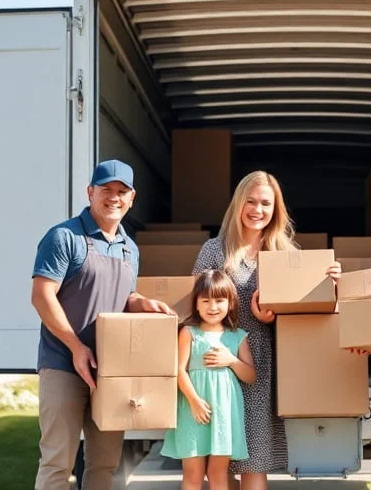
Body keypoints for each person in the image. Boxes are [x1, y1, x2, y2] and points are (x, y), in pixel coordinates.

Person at [31, 159, 176, 490]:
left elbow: (122, 295)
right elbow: (42, 296)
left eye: (121, 191)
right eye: (106, 190)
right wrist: (76, 348)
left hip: (110, 371)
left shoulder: (129, 248)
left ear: (132, 198)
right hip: (63, 364)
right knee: (58, 462)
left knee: (104, 465)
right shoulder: (64, 237)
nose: (114, 197)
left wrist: (142, 303)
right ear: (90, 192)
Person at [192, 170, 341, 490]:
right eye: (251, 201)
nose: (257, 210)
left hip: (260, 361)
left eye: (265, 204)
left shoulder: (286, 254)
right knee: (221, 459)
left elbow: (307, 312)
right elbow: (197, 307)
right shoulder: (214, 251)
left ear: (276, 210)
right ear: (238, 204)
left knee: (254, 458)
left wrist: (328, 282)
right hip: (217, 360)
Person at [162, 269, 256, 490]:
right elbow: (179, 371)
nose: (213, 307)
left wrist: (231, 360)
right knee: (192, 475)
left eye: (219, 300)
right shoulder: (189, 333)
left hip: (224, 413)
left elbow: (250, 376)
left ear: (230, 303)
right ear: (196, 304)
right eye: (206, 301)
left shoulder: (237, 336)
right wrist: (194, 401)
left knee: (218, 475)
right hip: (192, 410)